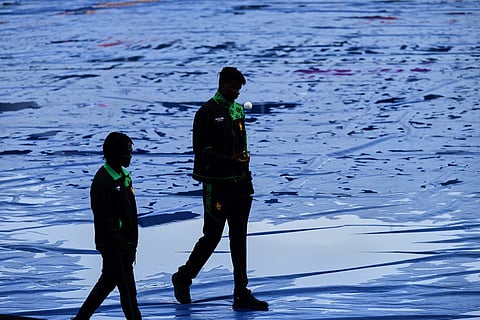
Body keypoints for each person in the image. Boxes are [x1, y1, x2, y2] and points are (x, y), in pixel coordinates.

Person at [172, 67, 269, 311]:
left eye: (239, 90)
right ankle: (184, 277)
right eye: (232, 88)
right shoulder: (205, 113)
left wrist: (245, 172)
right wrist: (229, 162)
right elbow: (201, 151)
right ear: (221, 84)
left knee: (239, 239)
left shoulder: (237, 110)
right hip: (216, 186)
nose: (236, 94)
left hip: (240, 185)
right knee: (212, 236)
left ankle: (241, 292)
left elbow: (241, 144)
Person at [73, 132, 142, 320]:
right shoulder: (102, 182)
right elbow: (104, 219)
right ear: (115, 153)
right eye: (127, 152)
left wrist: (132, 242)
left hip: (126, 244)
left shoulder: (124, 176)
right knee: (128, 292)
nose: (130, 156)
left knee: (106, 284)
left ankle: (80, 319)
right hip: (115, 246)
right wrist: (121, 244)